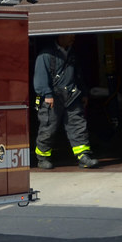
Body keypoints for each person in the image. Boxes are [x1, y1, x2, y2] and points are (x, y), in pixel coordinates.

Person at [33, 34, 98, 169]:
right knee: (48, 127)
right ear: (61, 36)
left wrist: (83, 93)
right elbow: (40, 77)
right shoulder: (45, 54)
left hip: (72, 96)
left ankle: (83, 156)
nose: (73, 37)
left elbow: (77, 75)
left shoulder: (71, 53)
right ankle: (42, 157)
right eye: (70, 35)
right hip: (52, 97)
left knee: (78, 125)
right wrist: (47, 94)